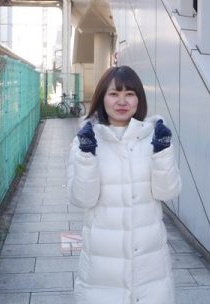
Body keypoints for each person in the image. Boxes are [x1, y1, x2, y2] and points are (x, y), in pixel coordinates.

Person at [67, 66, 182, 304]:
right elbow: (82, 199)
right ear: (101, 97)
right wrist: (87, 156)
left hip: (150, 268)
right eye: (114, 94)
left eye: (129, 94)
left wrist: (162, 153)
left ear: (139, 98)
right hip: (102, 269)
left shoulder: (154, 136)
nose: (122, 101)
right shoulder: (86, 139)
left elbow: (168, 191)